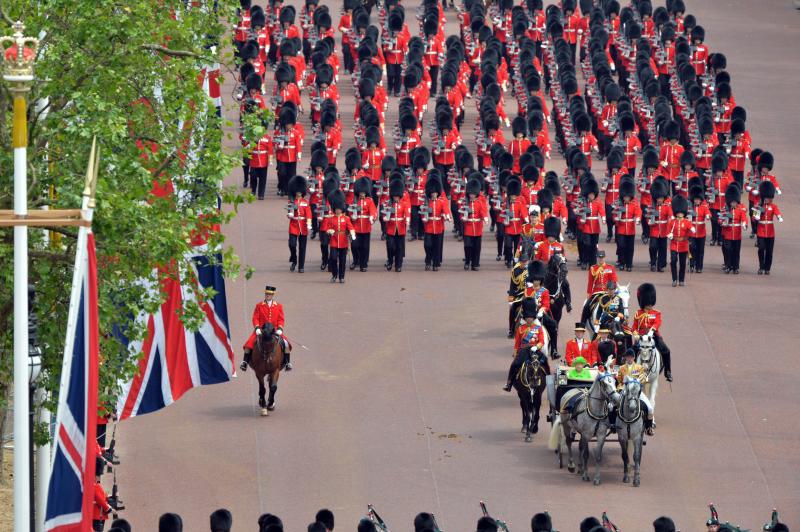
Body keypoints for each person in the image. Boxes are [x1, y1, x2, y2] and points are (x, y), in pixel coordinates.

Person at [241, 285, 292, 371]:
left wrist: (280, 329)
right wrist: (257, 328)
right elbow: (255, 318)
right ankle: (245, 362)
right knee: (248, 344)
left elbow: (281, 319)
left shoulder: (278, 306)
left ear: (273, 295)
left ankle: (287, 363)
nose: (268, 295)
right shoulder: (259, 305)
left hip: (274, 331)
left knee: (286, 344)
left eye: (269, 294)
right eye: (266, 294)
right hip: (261, 330)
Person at [504, 299, 548, 392]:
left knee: (545, 363)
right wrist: (516, 353)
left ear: (533, 318)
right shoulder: (520, 329)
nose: (529, 319)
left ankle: (548, 382)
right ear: (525, 318)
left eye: (530, 317)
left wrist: (537, 347)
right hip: (524, 351)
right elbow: (517, 344)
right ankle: (509, 383)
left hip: (535, 350)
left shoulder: (538, 328)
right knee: (515, 364)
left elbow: (542, 341)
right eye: (527, 317)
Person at [631, 283, 672, 381]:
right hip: (641, 336)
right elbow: (634, 326)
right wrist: (635, 334)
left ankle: (667, 371)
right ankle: (631, 371)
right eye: (648, 303)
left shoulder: (656, 313)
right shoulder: (638, 313)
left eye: (650, 303)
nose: (650, 305)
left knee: (666, 351)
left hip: (653, 335)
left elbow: (658, 322)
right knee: (631, 352)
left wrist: (652, 330)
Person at [616, 348, 654, 435]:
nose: (629, 359)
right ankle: (614, 424)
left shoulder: (639, 367)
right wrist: (622, 387)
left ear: (634, 358)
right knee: (612, 406)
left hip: (637, 391)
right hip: (625, 391)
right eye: (628, 357)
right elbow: (619, 381)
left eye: (631, 357)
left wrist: (639, 381)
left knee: (650, 408)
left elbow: (643, 379)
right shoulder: (621, 368)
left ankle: (649, 427)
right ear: (626, 358)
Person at [322, 189, 356, 283]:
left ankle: (341, 277)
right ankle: (334, 275)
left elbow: (350, 227)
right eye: (336, 209)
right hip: (334, 240)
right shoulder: (331, 218)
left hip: (343, 241)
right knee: (333, 258)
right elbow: (326, 228)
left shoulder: (346, 218)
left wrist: (352, 234)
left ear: (342, 209)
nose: (337, 210)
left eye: (339, 209)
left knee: (342, 260)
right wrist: (329, 231)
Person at [422, 173, 451, 271]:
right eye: (432, 193)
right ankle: (428, 260)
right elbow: (423, 211)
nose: (434, 195)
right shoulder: (427, 202)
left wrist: (446, 215)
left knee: (437, 247)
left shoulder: (441, 201)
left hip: (438, 227)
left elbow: (446, 210)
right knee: (427, 245)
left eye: (435, 193)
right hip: (429, 227)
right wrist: (424, 217)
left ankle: (435, 263)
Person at [754, 180, 783, 275]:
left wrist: (779, 217)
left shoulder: (773, 206)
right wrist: (757, 215)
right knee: (761, 249)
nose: (767, 199)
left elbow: (777, 212)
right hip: (761, 231)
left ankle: (767, 268)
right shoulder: (758, 206)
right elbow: (754, 218)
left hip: (770, 232)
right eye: (765, 197)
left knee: (769, 252)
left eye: (768, 198)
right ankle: (761, 266)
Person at [350, 177, 377, 272]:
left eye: (363, 192)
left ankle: (363, 264)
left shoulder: (369, 201)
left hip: (366, 227)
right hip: (356, 227)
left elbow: (373, 211)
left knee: (365, 247)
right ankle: (355, 260)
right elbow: (349, 211)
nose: (362, 194)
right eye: (360, 192)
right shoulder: (354, 201)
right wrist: (352, 216)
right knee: (354, 245)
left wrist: (372, 217)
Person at [462, 177, 490, 271]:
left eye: (473, 194)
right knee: (467, 246)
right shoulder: (465, 202)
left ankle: (475, 264)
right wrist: (463, 217)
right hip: (468, 227)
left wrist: (485, 218)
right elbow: (461, 211)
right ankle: (467, 261)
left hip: (477, 227)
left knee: (477, 247)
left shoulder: (479, 202)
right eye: (470, 193)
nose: (472, 195)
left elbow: (483, 211)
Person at [383, 178, 410, 272]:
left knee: (399, 247)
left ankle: (398, 265)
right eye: (394, 196)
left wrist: (407, 219)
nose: (396, 198)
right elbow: (384, 212)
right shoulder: (388, 204)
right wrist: (385, 217)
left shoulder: (404, 204)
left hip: (401, 228)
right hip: (391, 228)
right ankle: (390, 261)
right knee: (390, 246)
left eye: (397, 196)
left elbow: (407, 212)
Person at [720, 182, 747, 274]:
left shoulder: (740, 210)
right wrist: (722, 223)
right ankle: (728, 266)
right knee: (728, 251)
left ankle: (736, 267)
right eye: (732, 202)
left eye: (735, 202)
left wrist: (744, 224)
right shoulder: (725, 209)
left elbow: (744, 218)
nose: (733, 203)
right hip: (727, 234)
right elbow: (720, 219)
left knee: (736, 251)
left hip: (737, 234)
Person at [667, 194, 694, 286]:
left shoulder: (687, 222)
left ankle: (681, 280)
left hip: (683, 244)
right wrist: (670, 235)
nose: (679, 214)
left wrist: (692, 230)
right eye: (678, 212)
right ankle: (674, 279)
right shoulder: (672, 222)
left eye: (681, 212)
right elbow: (668, 232)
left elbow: (690, 231)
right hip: (674, 244)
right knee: (673, 261)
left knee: (682, 263)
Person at [287, 176, 312, 273]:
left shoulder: (306, 202)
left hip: (303, 226)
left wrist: (309, 223)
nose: (299, 192)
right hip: (294, 225)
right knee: (292, 244)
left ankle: (301, 266)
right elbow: (289, 212)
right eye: (297, 191)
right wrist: (289, 215)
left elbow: (308, 214)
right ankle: (294, 259)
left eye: (300, 191)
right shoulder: (291, 201)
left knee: (302, 247)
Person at [688, 179, 711, 273]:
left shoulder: (704, 207)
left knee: (700, 251)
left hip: (701, 232)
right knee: (691, 249)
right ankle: (691, 264)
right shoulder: (689, 207)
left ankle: (699, 267)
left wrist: (708, 216)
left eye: (698, 199)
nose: (697, 201)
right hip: (691, 233)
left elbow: (708, 213)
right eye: (695, 199)